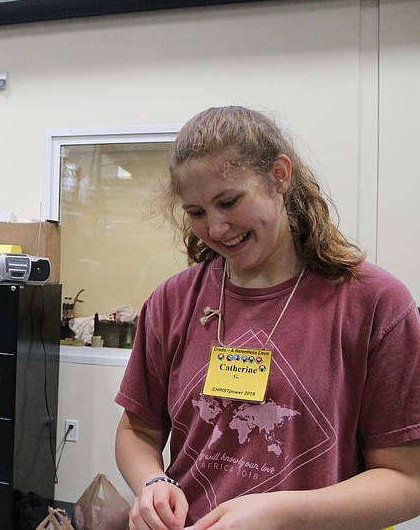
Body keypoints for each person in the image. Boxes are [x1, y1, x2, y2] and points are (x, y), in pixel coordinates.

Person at [115, 105, 420, 530]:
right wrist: (152, 481)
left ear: (279, 175)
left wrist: (282, 512)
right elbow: (137, 432)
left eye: (229, 202)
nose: (217, 229)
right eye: (197, 213)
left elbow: (407, 481)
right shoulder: (173, 301)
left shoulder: (374, 304)